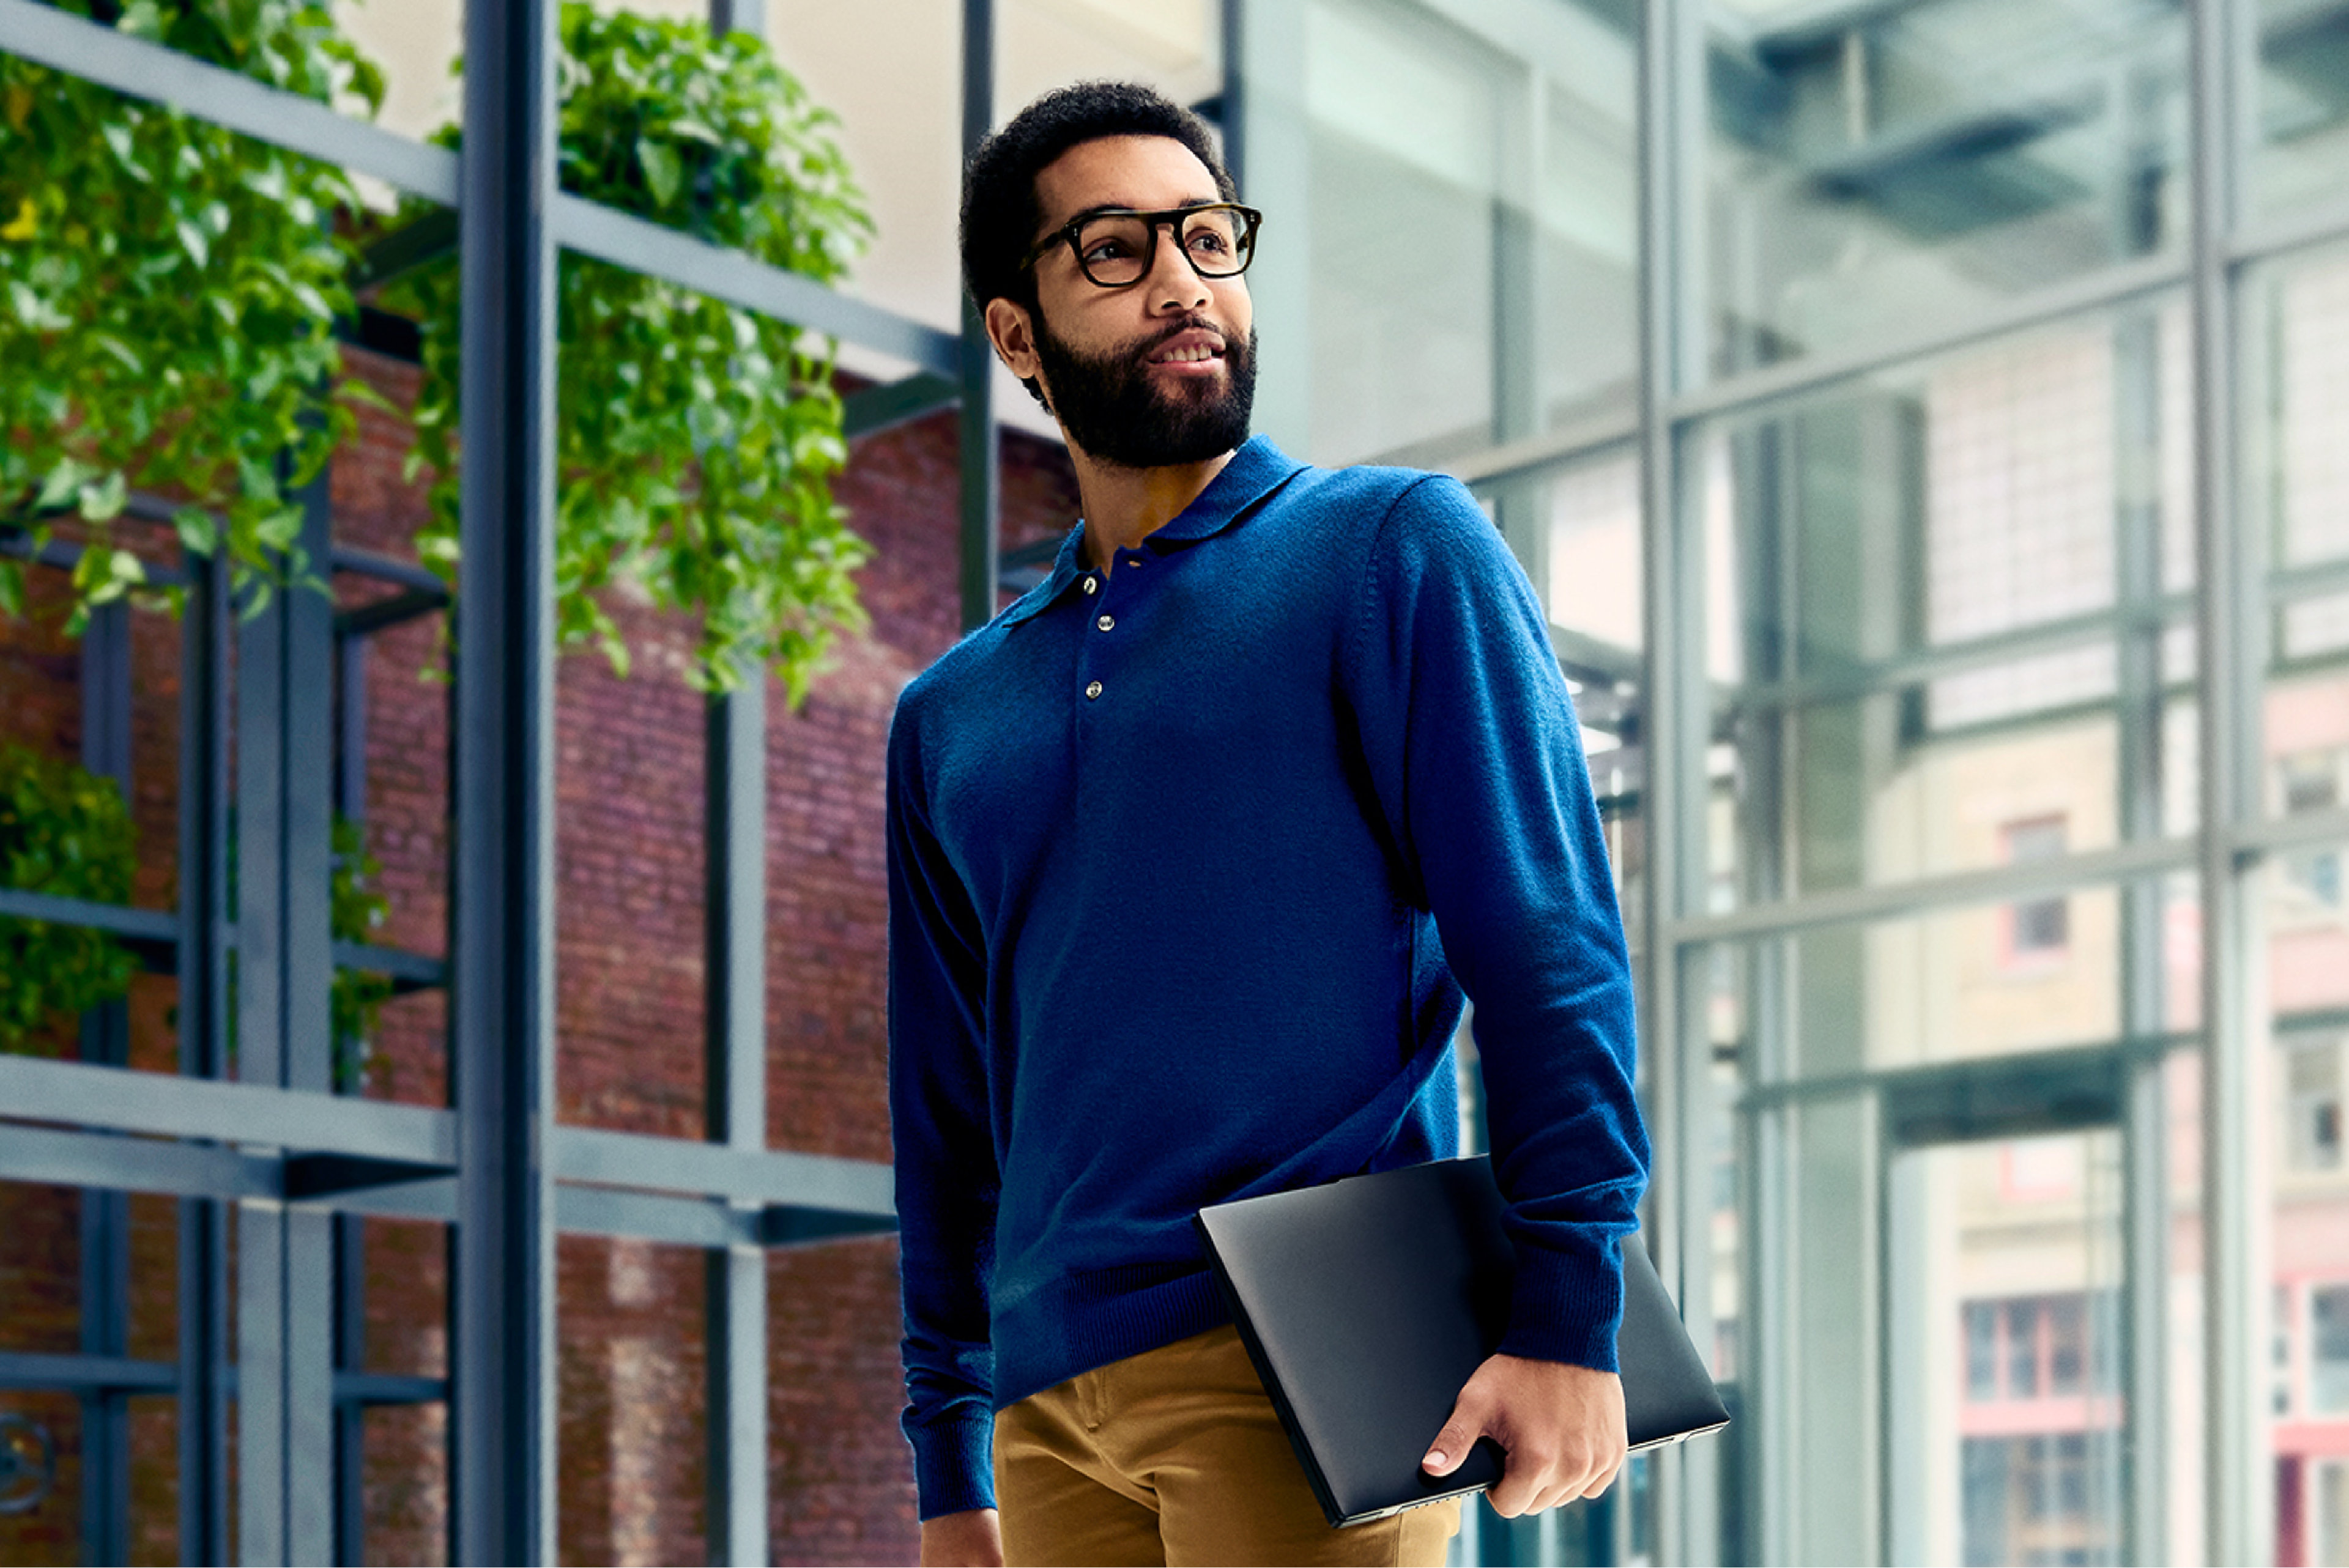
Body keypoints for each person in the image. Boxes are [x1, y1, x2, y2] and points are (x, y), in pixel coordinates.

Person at [887, 80, 1650, 1568]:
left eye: (1208, 237)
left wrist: (1573, 1307)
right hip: (1050, 1417)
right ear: (1016, 334)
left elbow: (1549, 942)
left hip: (1306, 1362)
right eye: (1113, 248)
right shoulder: (952, 712)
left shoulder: (1391, 548)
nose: (1182, 279)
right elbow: (948, 1114)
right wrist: (947, 1456)